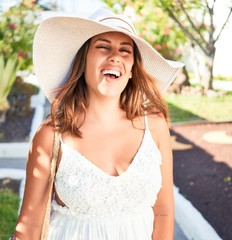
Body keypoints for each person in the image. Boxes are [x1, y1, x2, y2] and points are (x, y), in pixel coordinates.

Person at [12, 8, 184, 240]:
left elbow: (163, 212)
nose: (115, 56)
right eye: (103, 46)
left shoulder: (155, 125)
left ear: (132, 69)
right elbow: (29, 228)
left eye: (125, 51)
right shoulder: (52, 135)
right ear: (83, 62)